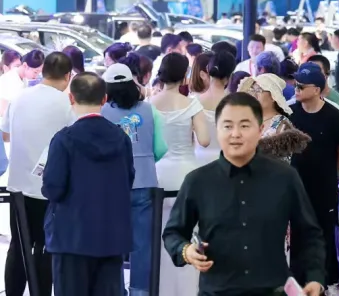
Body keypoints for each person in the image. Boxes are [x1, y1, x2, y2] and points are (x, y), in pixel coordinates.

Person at [162, 92, 326, 296]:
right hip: (217, 292)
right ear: (217, 129)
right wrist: (186, 250)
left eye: (244, 126)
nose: (235, 134)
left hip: (272, 290)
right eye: (227, 126)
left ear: (260, 129)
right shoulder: (197, 181)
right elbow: (173, 233)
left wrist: (315, 278)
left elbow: (309, 234)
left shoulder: (285, 178)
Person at [44, 72, 134, 296]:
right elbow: (128, 179)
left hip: (71, 236)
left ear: (71, 98)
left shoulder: (64, 139)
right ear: (104, 99)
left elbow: (53, 189)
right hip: (112, 236)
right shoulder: (121, 138)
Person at [3, 50, 71, 296]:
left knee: (18, 246)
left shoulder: (20, 97)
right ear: (68, 76)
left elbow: (6, 134)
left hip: (18, 186)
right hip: (50, 190)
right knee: (45, 247)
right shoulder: (67, 104)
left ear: (43, 71)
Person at [290, 62, 339, 291]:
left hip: (325, 186)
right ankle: (298, 281)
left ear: (317, 90)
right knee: (297, 232)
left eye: (301, 86)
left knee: (324, 233)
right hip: (296, 185)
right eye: (296, 84)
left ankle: (327, 281)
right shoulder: (290, 112)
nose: (296, 89)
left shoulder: (333, 114)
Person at [150, 52, 213, 296]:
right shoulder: (191, 104)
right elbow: (205, 140)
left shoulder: (150, 104)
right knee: (189, 234)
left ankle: (161, 289)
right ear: (184, 75)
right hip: (186, 173)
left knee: (159, 234)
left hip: (158, 175)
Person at [101, 62, 166, 296]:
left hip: (111, 184)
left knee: (112, 242)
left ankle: (116, 290)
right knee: (143, 243)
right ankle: (140, 291)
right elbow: (161, 148)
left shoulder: (102, 112)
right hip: (145, 181)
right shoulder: (149, 110)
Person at [236, 73, 311, 160]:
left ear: (273, 97)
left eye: (259, 90)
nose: (254, 94)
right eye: (253, 90)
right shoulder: (250, 118)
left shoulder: (281, 123)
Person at [195, 49, 235, 166]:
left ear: (208, 69)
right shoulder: (235, 103)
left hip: (198, 161)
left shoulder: (194, 102)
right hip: (227, 161)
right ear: (230, 75)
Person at [0, 48, 44, 119]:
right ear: (25, 66)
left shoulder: (23, 78)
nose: (36, 76)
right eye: (35, 72)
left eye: (38, 73)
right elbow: (3, 111)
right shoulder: (9, 80)